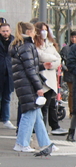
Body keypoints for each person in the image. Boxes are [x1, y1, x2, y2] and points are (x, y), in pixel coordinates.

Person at [9, 21, 55, 153]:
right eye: (34, 31)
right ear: (29, 32)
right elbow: (30, 69)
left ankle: (45, 143)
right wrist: (38, 87)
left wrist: (42, 66)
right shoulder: (27, 46)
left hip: (23, 83)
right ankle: (21, 143)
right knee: (29, 114)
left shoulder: (19, 45)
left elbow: (27, 66)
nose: (36, 33)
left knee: (36, 114)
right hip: (27, 84)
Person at [33, 21, 67, 135]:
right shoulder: (35, 44)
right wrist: (53, 59)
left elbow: (59, 59)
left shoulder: (50, 44)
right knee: (42, 106)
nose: (44, 32)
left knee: (49, 105)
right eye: (42, 30)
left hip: (51, 78)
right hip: (42, 78)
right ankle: (40, 129)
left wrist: (52, 63)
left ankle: (49, 127)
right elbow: (41, 56)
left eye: (46, 30)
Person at [0, 21, 16, 129]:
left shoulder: (14, 42)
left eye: (7, 31)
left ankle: (6, 119)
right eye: (3, 31)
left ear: (10, 31)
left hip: (9, 73)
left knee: (7, 97)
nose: (5, 33)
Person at [60, 30, 76, 117]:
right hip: (69, 73)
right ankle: (71, 111)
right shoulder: (66, 49)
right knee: (72, 93)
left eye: (75, 37)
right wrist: (65, 68)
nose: (74, 39)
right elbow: (60, 61)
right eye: (72, 37)